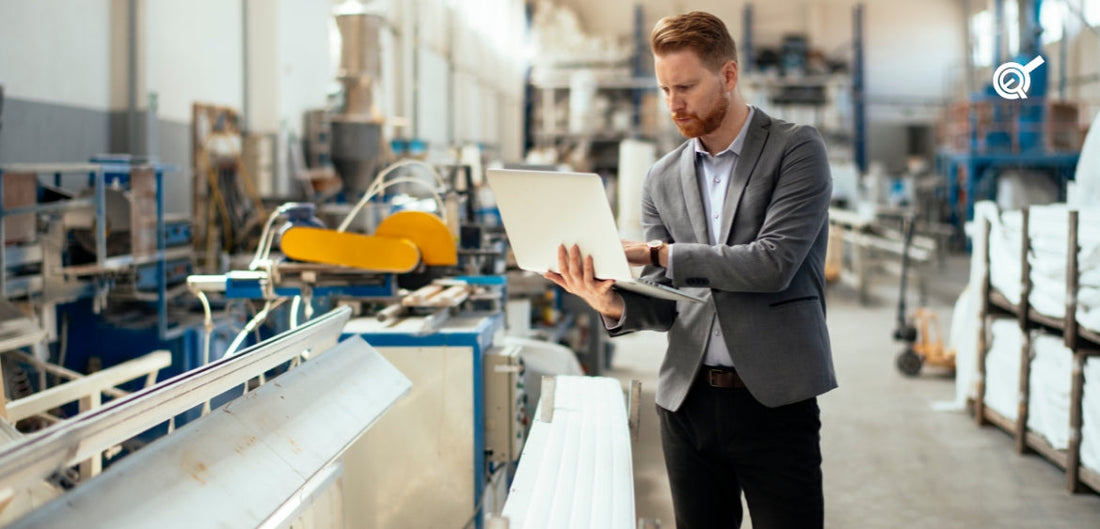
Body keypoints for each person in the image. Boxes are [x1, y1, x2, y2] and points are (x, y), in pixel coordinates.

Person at [543, 10, 837, 529]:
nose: (673, 104)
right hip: (687, 404)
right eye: (664, 89)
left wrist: (657, 252)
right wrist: (608, 300)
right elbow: (666, 304)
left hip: (776, 400)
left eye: (686, 87)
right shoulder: (661, 177)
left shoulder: (796, 149)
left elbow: (773, 264)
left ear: (728, 75)